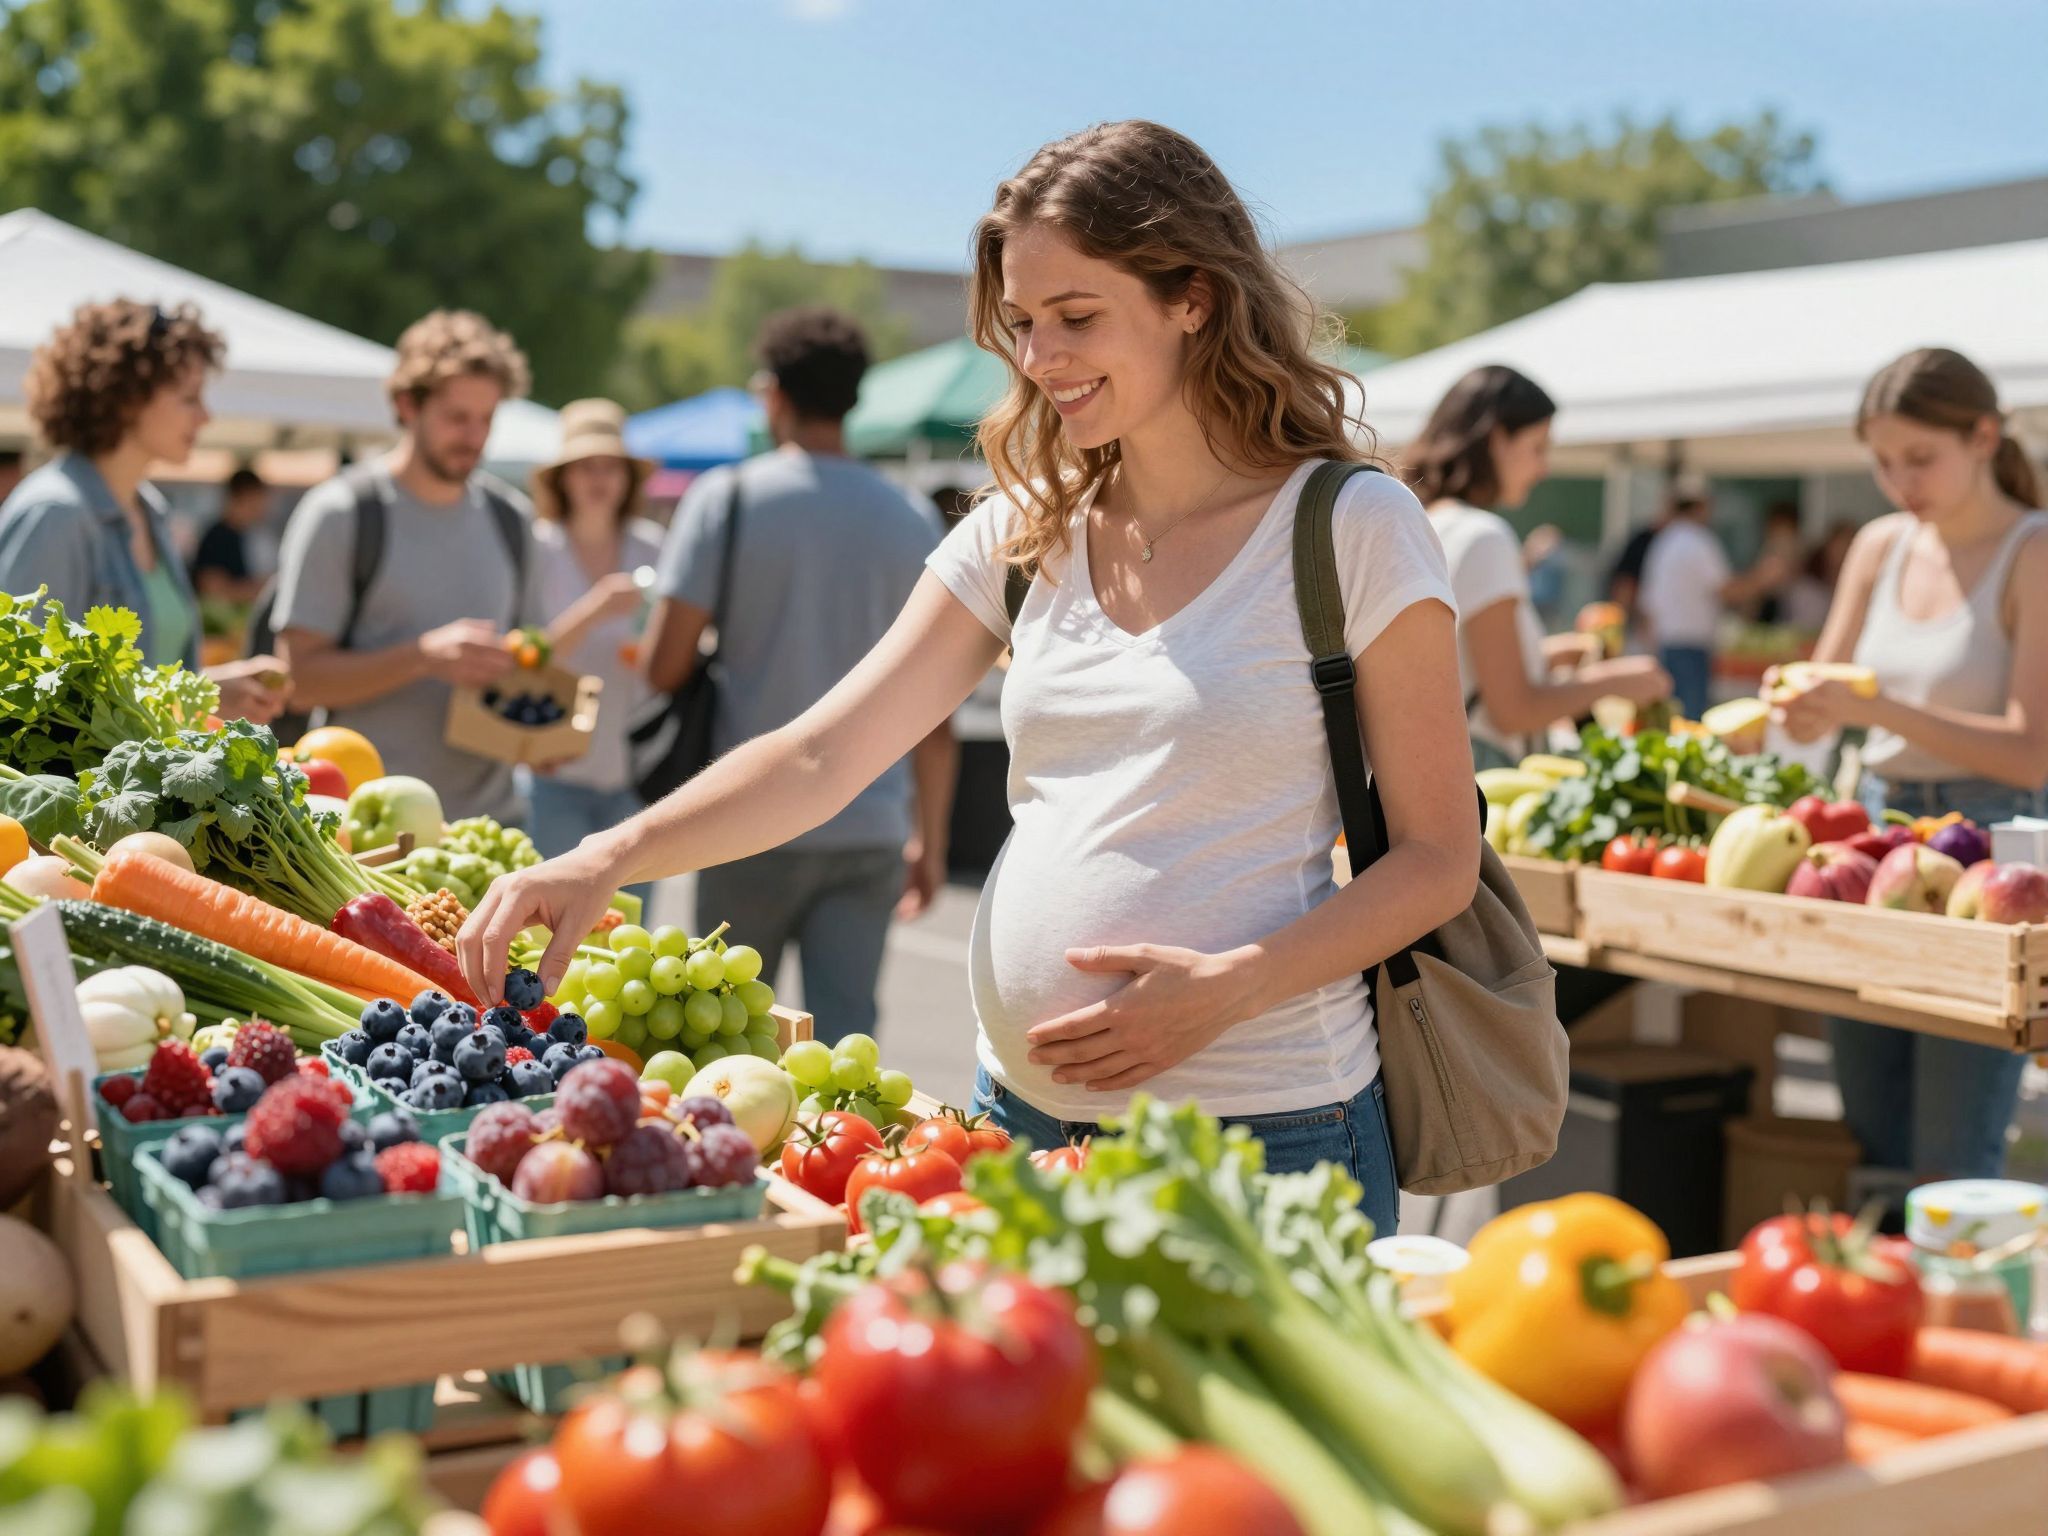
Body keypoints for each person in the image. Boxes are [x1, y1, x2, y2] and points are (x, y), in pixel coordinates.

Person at [463, 121, 1484, 1235]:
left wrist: (1233, 985)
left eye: (1077, 316)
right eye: (1024, 324)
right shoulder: (1024, 528)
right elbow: (821, 752)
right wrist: (611, 855)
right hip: (1012, 1128)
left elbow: (1437, 858)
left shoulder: (1351, 526)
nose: (1041, 358)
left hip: (1260, 1137)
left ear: (1191, 296)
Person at [640, 308, 954, 1044]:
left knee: (720, 1037)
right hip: (871, 822)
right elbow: (935, 705)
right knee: (843, 1043)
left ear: (774, 394)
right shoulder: (911, 518)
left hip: (748, 813)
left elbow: (664, 666)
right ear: (852, 398)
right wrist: (929, 840)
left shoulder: (730, 499)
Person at [1772, 346, 2048, 1184]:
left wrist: (1874, 708)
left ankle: (1957, 1304)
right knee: (1870, 1118)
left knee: (1952, 1142)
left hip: (2002, 843)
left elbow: (2031, 746)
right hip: (1878, 830)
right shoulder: (1879, 546)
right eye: (1883, 462)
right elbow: (1823, 689)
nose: (1900, 482)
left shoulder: (2033, 551)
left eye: (1919, 458)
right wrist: (1794, 705)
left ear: (1984, 437)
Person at [270, 310, 541, 822]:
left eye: (486, 419)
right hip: (363, 833)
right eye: (457, 417)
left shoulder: (513, 519)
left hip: (493, 825)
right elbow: (298, 679)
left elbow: (525, 659)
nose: (474, 435)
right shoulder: (342, 513)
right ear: (406, 404)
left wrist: (547, 735)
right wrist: (423, 657)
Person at [0, 300, 287, 723]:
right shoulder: (56, 514)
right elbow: (20, 691)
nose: (206, 416)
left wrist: (210, 686)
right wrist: (197, 694)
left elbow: (138, 678)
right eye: (189, 398)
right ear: (127, 400)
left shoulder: (149, 510)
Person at [1405, 365, 1670, 769]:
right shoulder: (1483, 537)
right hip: (1482, 779)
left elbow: (1456, 665)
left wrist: (1547, 655)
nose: (1543, 468)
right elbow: (1512, 711)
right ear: (1496, 439)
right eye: (1538, 447)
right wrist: (1616, 682)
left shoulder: (1424, 522)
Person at [524, 398, 662, 907]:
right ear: (562, 478)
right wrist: (595, 608)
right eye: (585, 466)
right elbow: (524, 659)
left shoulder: (654, 547)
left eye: (610, 466)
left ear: (628, 478)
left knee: (630, 928)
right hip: (555, 768)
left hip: (640, 771)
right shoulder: (538, 548)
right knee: (552, 926)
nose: (598, 478)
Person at [1637, 482, 1785, 719]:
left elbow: (1648, 604)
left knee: (1672, 719)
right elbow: (1725, 590)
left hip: (1667, 643)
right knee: (1690, 720)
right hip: (1691, 646)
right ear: (1701, 507)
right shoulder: (1697, 540)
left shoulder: (1664, 542)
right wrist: (1762, 579)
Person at [190, 466, 271, 605]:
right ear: (241, 497)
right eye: (256, 501)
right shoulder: (216, 537)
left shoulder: (248, 535)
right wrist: (258, 589)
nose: (261, 509)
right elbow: (212, 588)